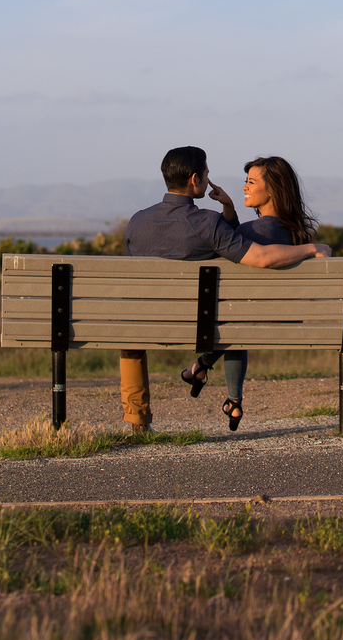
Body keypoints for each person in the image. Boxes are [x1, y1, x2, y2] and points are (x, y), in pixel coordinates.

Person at [122, 146, 331, 433]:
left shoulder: (137, 221)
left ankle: (137, 421)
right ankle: (214, 379)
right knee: (235, 316)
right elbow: (258, 256)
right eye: (207, 175)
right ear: (195, 179)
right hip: (200, 325)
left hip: (145, 322)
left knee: (130, 338)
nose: (209, 181)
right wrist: (311, 248)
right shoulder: (209, 223)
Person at [180, 156, 320, 429]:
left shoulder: (247, 233)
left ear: (273, 191)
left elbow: (227, 243)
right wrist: (230, 208)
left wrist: (227, 215)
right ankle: (222, 391)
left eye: (251, 182)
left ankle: (203, 370)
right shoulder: (299, 237)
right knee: (240, 318)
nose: (245, 187)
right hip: (287, 321)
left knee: (236, 321)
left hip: (246, 322)